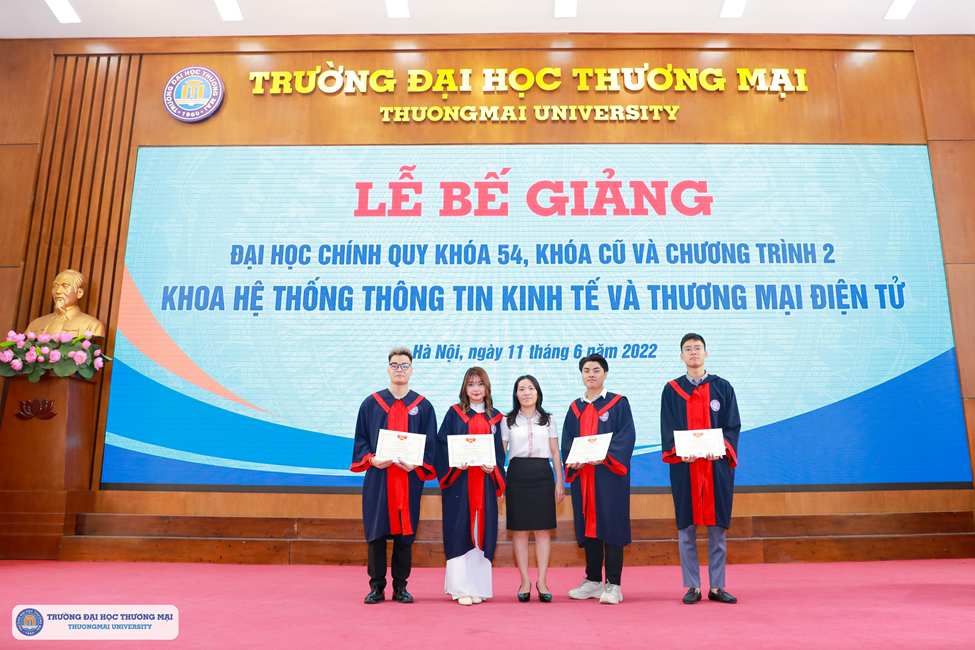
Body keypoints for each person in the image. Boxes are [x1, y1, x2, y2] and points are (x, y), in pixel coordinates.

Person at [350, 347, 437, 604]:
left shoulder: (423, 407)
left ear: (411, 370)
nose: (400, 369)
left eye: (404, 365)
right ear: (388, 369)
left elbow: (430, 444)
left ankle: (401, 586)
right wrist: (371, 459)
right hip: (379, 477)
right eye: (395, 365)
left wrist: (417, 463)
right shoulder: (371, 404)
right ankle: (376, 586)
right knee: (376, 531)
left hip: (409, 478)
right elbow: (361, 439)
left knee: (405, 533)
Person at [660, 333, 741, 605]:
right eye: (688, 349)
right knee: (686, 528)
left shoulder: (723, 387)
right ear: (681, 356)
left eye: (698, 348)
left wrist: (722, 448)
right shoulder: (672, 390)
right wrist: (679, 451)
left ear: (706, 353)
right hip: (686, 467)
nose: (693, 352)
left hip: (716, 466)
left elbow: (732, 425)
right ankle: (692, 586)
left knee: (717, 529)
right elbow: (668, 427)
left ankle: (717, 586)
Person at [562, 353, 635, 605]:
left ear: (605, 374)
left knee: (611, 525)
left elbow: (626, 436)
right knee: (588, 526)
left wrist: (604, 456)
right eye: (586, 370)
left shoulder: (618, 403)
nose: (591, 374)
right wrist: (573, 459)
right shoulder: (575, 408)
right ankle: (593, 581)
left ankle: (613, 584)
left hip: (609, 476)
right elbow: (568, 441)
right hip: (584, 477)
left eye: (596, 370)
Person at [435, 367, 506, 605]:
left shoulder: (495, 417)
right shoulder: (454, 414)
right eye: (471, 384)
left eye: (480, 384)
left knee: (482, 531)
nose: (476, 389)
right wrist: (455, 464)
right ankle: (460, 589)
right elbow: (441, 447)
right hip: (459, 484)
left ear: (487, 388)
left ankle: (478, 588)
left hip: (484, 484)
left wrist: (493, 469)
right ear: (464, 388)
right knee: (460, 530)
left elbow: (499, 456)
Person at [501, 375, 565, 603]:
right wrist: (499, 482)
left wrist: (559, 482)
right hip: (517, 475)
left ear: (538, 392)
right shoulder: (507, 421)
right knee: (519, 531)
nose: (526, 392)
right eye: (521, 389)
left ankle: (542, 581)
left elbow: (555, 452)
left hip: (542, 474)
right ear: (516, 394)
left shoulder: (548, 420)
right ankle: (525, 581)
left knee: (543, 531)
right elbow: (501, 454)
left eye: (531, 388)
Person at [26, 269, 105, 337]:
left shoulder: (92, 325)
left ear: (79, 293)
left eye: (65, 286)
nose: (58, 291)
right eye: (55, 286)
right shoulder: (35, 325)